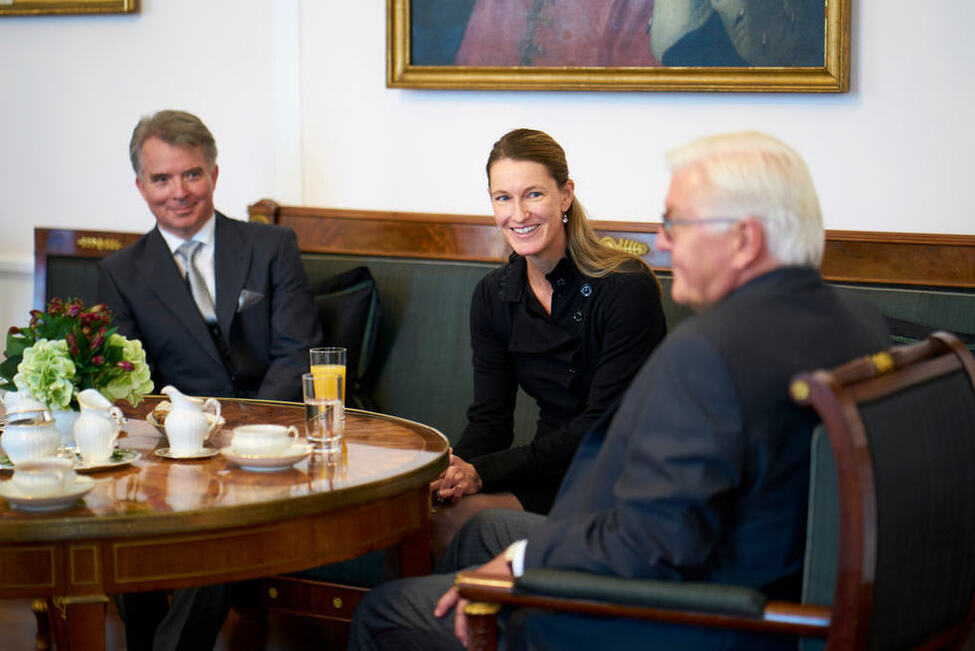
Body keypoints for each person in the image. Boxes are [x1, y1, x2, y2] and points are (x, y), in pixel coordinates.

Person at [349, 131, 891, 650]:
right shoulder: (860, 323)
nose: (664, 242)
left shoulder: (709, 353)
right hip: (749, 581)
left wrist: (521, 564)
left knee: (385, 612)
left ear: (744, 238)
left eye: (678, 222)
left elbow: (651, 542)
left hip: (689, 614)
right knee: (474, 534)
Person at [98, 110, 322, 651]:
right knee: (135, 527)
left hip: (268, 442)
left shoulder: (272, 248)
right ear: (140, 186)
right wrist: (184, 432)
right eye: (162, 179)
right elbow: (124, 381)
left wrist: (241, 430)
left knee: (214, 535)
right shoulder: (120, 272)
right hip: (171, 449)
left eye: (191, 174)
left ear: (215, 174)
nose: (179, 191)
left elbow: (297, 354)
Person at [430, 128, 666, 555]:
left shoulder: (626, 287)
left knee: (452, 524)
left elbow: (603, 427)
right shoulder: (493, 295)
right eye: (503, 198)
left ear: (565, 195)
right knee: (434, 513)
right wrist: (454, 472)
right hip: (546, 471)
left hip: (619, 478)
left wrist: (482, 473)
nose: (518, 214)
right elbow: (490, 419)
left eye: (533, 194)